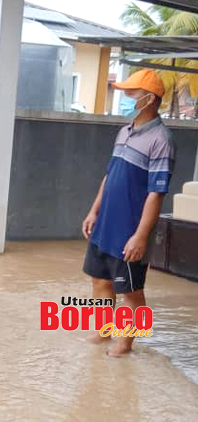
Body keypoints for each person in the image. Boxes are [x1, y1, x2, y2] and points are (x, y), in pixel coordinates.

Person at [82, 69, 175, 356]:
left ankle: (126, 344)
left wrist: (140, 235)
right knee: (100, 280)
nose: (126, 98)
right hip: (105, 224)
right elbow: (109, 176)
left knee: (131, 292)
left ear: (149, 98)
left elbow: (155, 193)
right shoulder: (124, 131)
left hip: (129, 230)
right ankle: (104, 330)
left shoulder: (162, 140)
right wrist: (93, 211)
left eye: (131, 93)